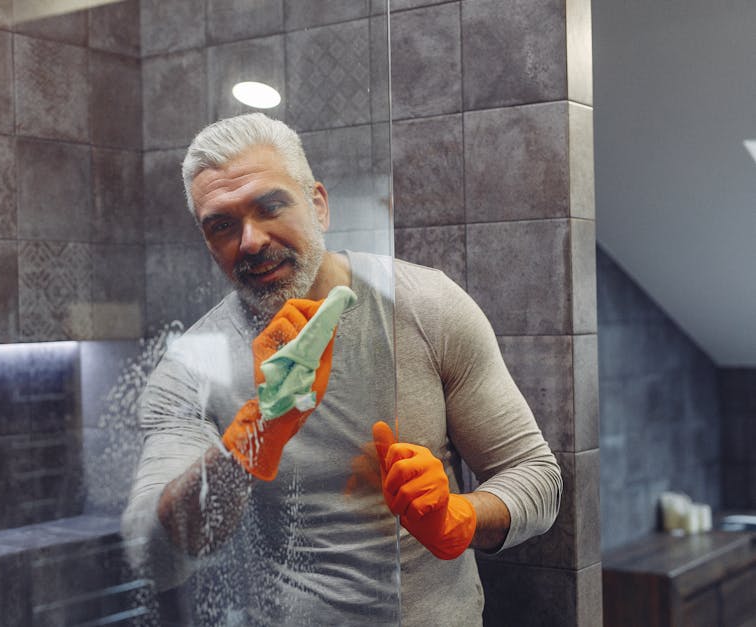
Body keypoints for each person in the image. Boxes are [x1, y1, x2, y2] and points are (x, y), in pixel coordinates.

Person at [123, 113, 562, 625]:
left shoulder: (425, 305)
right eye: (222, 225)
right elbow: (151, 557)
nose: (251, 241)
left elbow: (537, 477)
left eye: (271, 207)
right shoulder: (191, 367)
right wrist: (248, 443)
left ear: (318, 205)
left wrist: (459, 517)